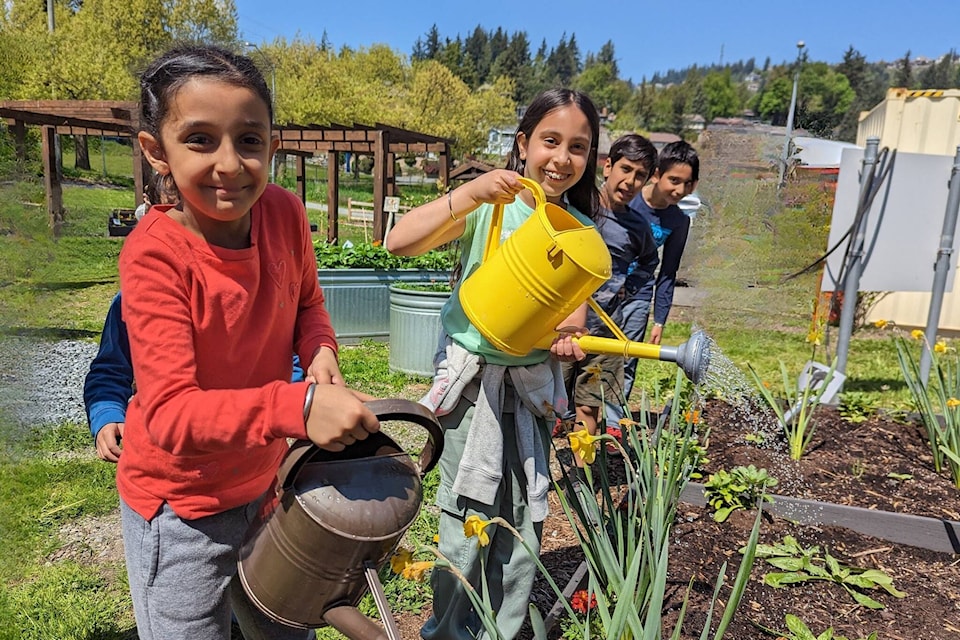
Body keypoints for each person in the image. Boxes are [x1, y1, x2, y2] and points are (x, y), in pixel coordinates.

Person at [117, 44, 379, 640]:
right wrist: (299, 407)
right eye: (201, 139)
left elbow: (307, 303)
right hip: (182, 507)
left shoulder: (285, 215)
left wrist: (321, 352)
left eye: (250, 140)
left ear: (272, 144)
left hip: (265, 483)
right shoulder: (156, 256)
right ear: (157, 152)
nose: (230, 163)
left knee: (283, 624)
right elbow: (171, 415)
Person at [386, 87, 597, 640]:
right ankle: (447, 630)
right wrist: (473, 194)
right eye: (551, 141)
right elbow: (398, 240)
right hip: (472, 387)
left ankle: (499, 632)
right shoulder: (491, 209)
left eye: (578, 146)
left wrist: (570, 341)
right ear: (523, 144)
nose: (562, 158)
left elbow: (571, 323)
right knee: (464, 516)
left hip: (530, 393)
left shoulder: (577, 232)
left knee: (525, 520)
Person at [83, 292, 305, 463]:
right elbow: (110, 369)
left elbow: (288, 360)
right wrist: (107, 414)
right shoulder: (134, 300)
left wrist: (290, 404)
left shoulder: (258, 296)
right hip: (171, 475)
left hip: (259, 462)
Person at [562, 134, 659, 479]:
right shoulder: (575, 206)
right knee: (547, 405)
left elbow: (649, 263)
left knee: (589, 405)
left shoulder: (637, 226)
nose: (630, 181)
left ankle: (580, 476)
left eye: (640, 176)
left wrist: (624, 291)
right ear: (607, 166)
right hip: (559, 330)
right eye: (626, 169)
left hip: (604, 334)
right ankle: (535, 474)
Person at [620, 140, 700, 403]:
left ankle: (614, 420)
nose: (679, 190)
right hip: (602, 289)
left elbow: (668, 272)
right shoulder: (627, 201)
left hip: (639, 297)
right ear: (656, 175)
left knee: (627, 358)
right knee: (586, 352)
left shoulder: (679, 221)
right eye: (674, 180)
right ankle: (571, 412)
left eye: (687, 184)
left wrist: (659, 319)